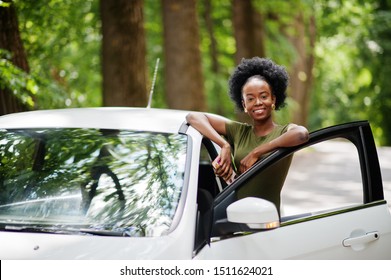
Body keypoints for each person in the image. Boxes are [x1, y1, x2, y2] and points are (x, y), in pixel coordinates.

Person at [186, 57, 309, 213]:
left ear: (273, 100)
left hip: (267, 223)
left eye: (264, 96)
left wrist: (256, 152)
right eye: (250, 99)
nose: (257, 102)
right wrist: (224, 145)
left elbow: (302, 135)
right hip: (233, 219)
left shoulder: (283, 132)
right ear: (244, 105)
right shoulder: (239, 131)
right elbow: (193, 117)